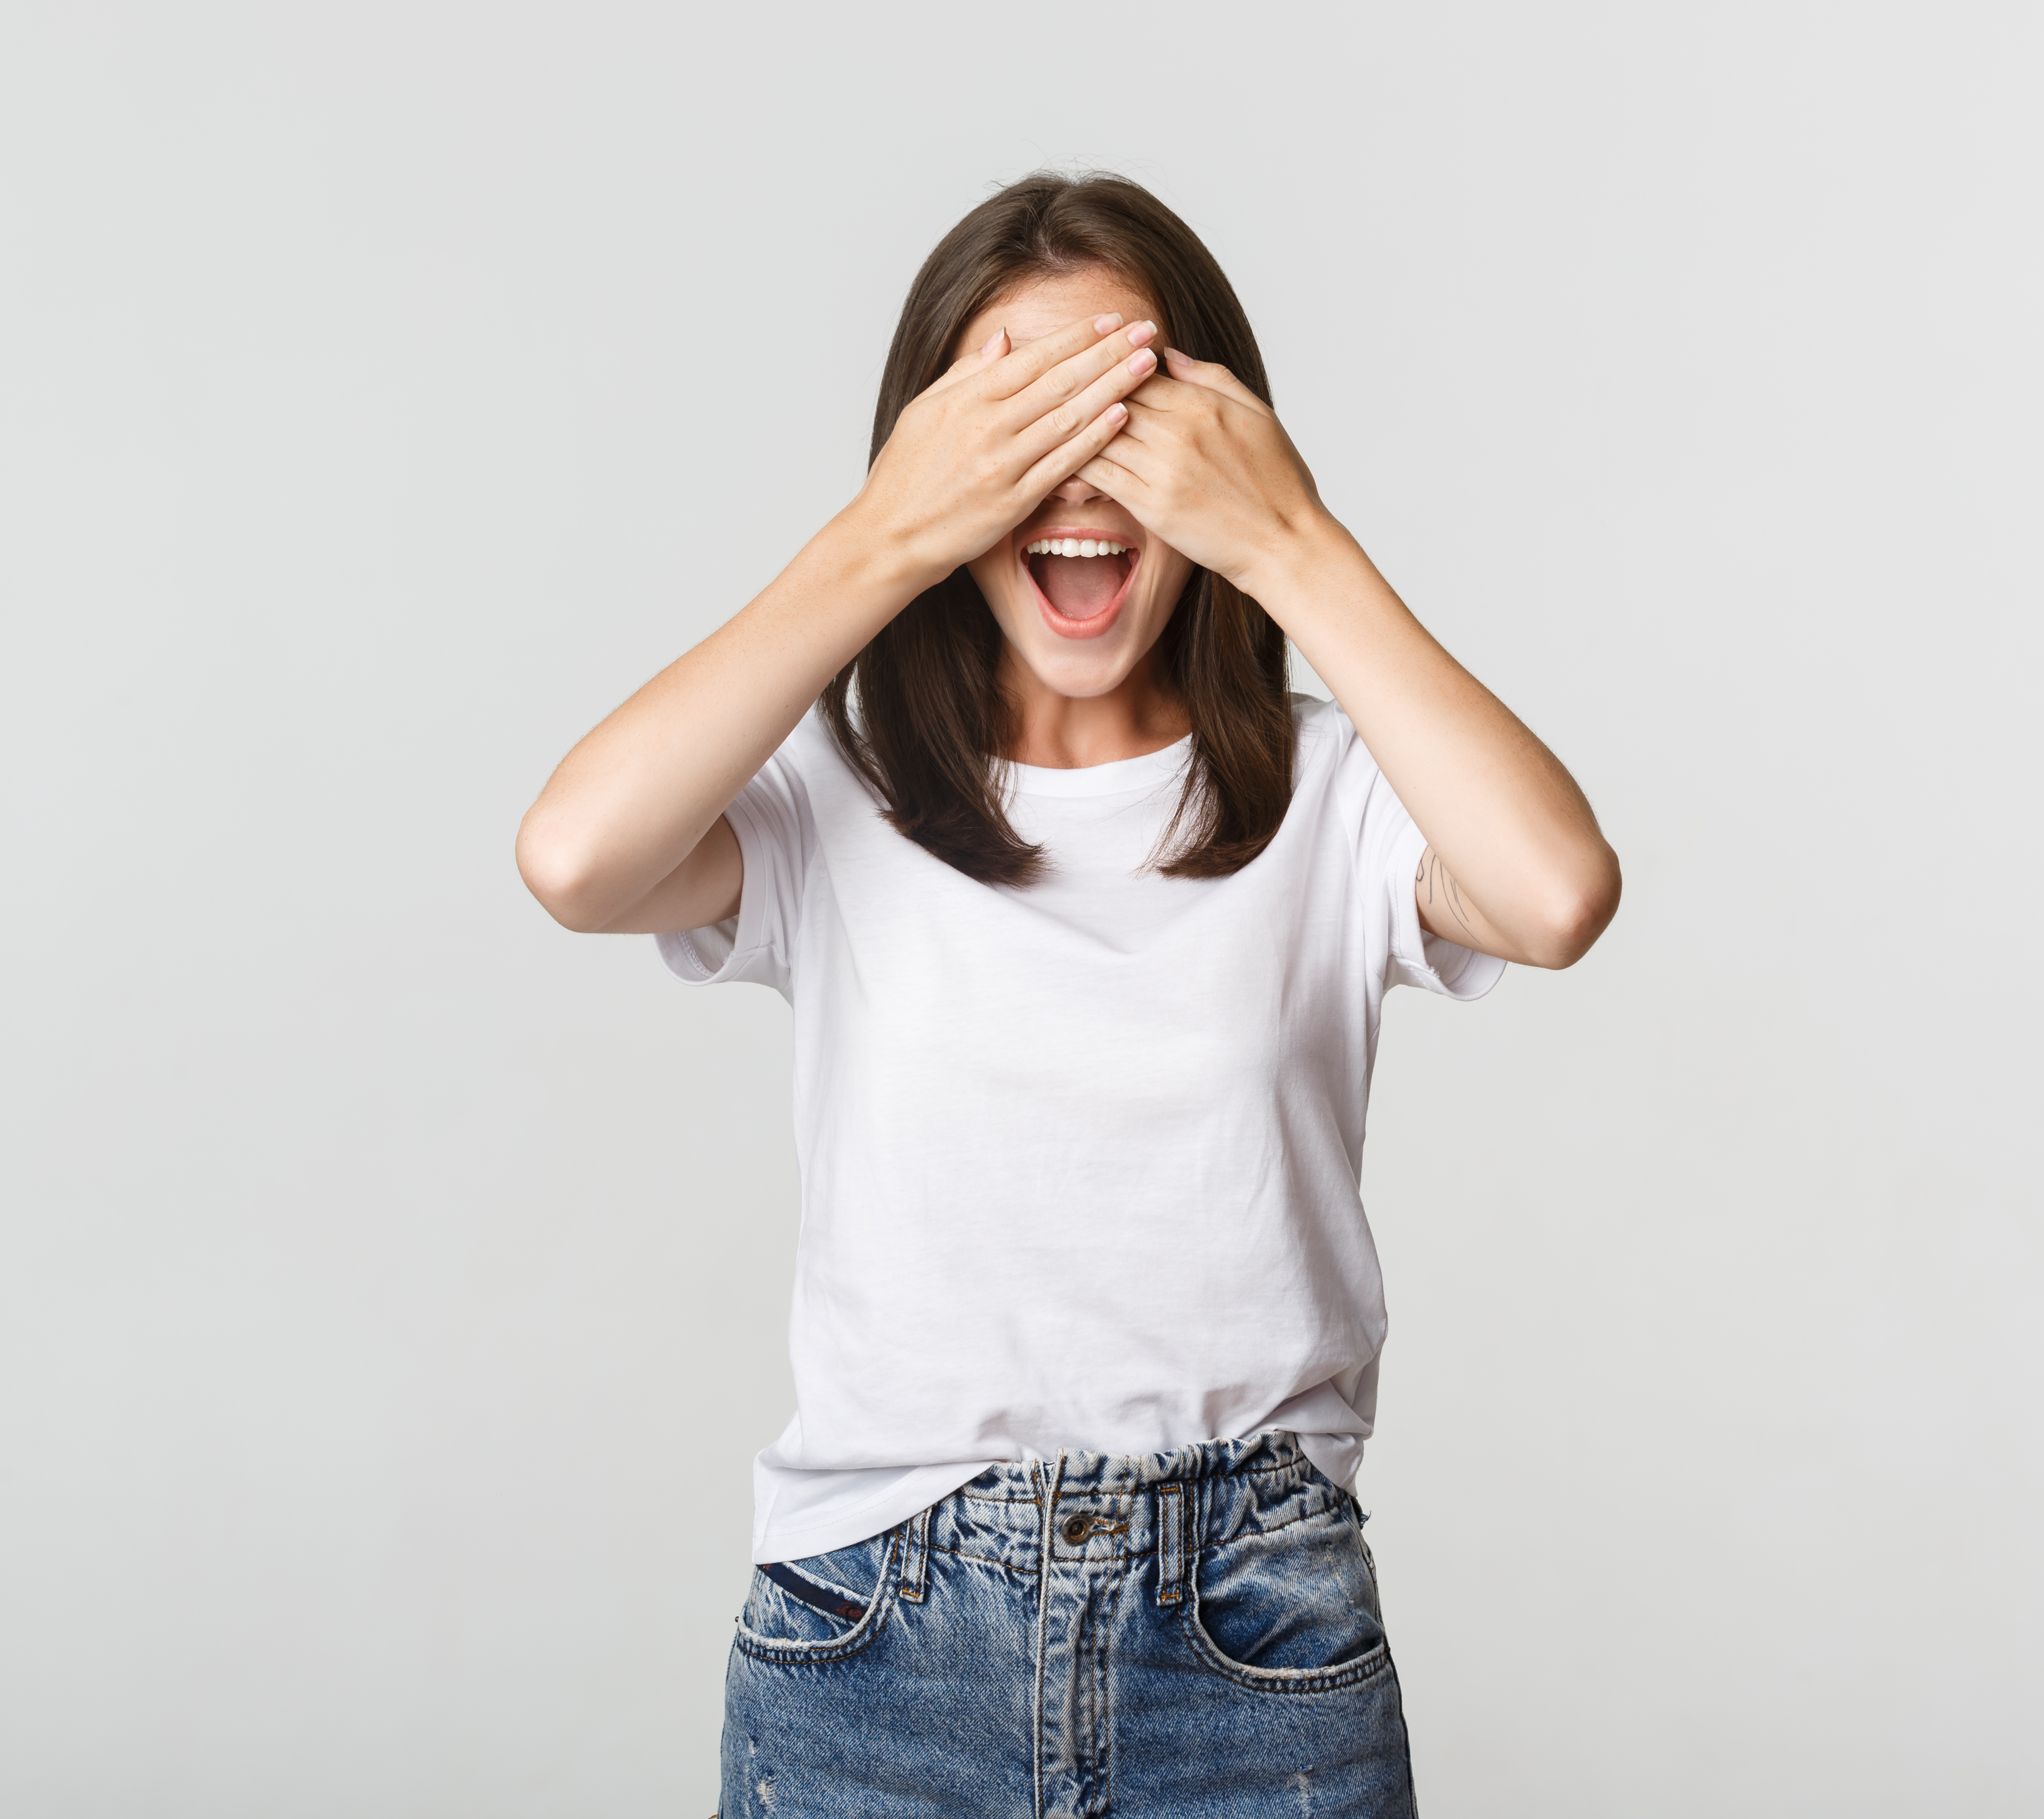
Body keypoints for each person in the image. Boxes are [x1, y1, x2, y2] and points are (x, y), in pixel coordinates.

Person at [515, 171, 1619, 1817]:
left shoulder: (1338, 797)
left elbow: (1557, 893)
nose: (1074, 469)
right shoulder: (834, 797)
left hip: (1255, 1638)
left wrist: (1292, 540)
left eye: (1131, 411)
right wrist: (888, 532)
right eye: (1015, 418)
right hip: (875, 1643)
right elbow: (574, 858)